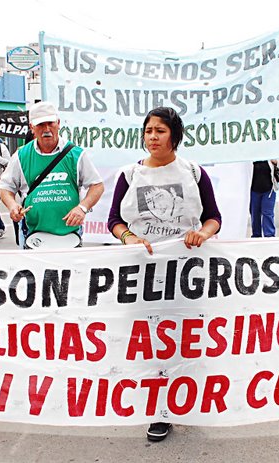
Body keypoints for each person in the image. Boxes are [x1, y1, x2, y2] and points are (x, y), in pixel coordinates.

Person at [108, 106, 221, 442]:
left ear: (174, 135)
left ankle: (185, 400)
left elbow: (214, 217)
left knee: (182, 339)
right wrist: (129, 237)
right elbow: (115, 219)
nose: (152, 137)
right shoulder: (129, 175)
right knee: (150, 342)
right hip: (142, 272)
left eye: (159, 131)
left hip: (185, 272)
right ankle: (158, 411)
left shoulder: (194, 173)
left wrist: (203, 233)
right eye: (148, 131)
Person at [0, 102, 104, 247]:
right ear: (32, 127)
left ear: (58, 123)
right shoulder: (21, 155)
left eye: (51, 123)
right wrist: (12, 205)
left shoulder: (75, 154)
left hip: (70, 235)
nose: (47, 129)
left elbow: (97, 185)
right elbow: (5, 187)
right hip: (33, 234)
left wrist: (82, 208)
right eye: (41, 125)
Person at [250, 159, 279, 237]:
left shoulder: (270, 153)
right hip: (253, 190)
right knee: (255, 213)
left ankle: (269, 235)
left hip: (269, 189)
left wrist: (275, 162)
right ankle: (256, 235)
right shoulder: (250, 157)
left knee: (267, 213)